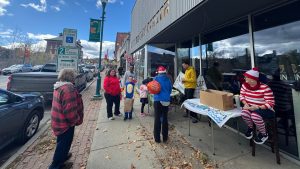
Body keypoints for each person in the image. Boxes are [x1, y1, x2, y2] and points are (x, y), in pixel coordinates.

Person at [49, 68, 84, 169]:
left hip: (58, 121)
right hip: (65, 124)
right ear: (71, 77)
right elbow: (70, 111)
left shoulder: (59, 86)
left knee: (62, 143)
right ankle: (56, 165)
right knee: (63, 144)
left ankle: (62, 157)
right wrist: (76, 120)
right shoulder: (68, 89)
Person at [240, 67, 275, 144]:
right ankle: (251, 128)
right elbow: (242, 96)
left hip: (265, 109)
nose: (244, 78)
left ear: (252, 79)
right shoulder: (244, 86)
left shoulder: (265, 88)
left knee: (255, 116)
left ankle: (264, 134)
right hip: (250, 107)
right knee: (244, 113)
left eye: (246, 77)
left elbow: (271, 103)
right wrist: (245, 104)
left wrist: (258, 107)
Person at [153, 66, 172, 143]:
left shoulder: (156, 79)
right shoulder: (168, 79)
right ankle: (165, 137)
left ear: (158, 72)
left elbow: (152, 88)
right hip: (166, 100)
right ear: (165, 72)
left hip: (158, 100)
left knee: (157, 119)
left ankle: (157, 139)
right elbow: (170, 90)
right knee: (165, 119)